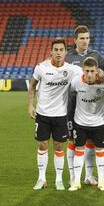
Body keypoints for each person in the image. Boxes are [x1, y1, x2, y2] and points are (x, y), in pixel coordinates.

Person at [28, 37, 82, 190]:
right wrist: (30, 105)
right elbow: (32, 85)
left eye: (61, 50)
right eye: (56, 50)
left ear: (66, 52)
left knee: (59, 147)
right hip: (43, 113)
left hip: (60, 115)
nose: (58, 52)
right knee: (42, 144)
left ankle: (59, 179)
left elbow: (88, 74)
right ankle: (41, 178)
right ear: (51, 52)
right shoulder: (41, 68)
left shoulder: (72, 69)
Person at [66, 25, 104, 186]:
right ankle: (73, 176)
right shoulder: (67, 56)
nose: (85, 41)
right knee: (72, 142)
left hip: (91, 106)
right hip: (72, 106)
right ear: (75, 40)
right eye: (82, 38)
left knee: (91, 144)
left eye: (87, 38)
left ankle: (89, 175)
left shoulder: (95, 55)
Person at [68, 57, 104, 191]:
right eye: (87, 71)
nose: (89, 74)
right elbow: (71, 96)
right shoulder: (76, 82)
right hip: (80, 123)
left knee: (100, 151)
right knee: (79, 150)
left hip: (99, 123)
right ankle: (76, 181)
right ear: (82, 70)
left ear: (97, 70)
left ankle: (102, 181)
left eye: (92, 71)